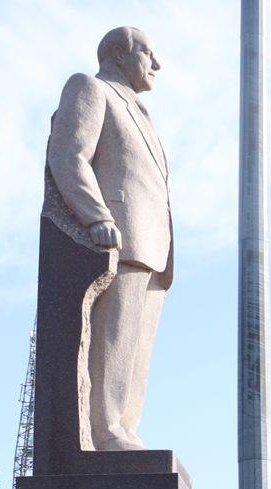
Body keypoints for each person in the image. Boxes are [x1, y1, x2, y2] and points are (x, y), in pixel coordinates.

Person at [45, 26, 173, 451]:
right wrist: (96, 216)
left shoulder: (142, 113)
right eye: (148, 53)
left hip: (153, 249)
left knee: (137, 352)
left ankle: (125, 431)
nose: (157, 64)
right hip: (121, 239)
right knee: (113, 341)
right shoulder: (90, 88)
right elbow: (69, 154)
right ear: (119, 53)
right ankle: (106, 430)